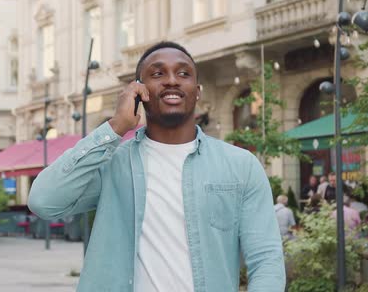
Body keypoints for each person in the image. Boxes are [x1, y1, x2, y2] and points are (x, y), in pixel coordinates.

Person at [28, 41, 285, 291]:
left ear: (197, 91)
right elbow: (43, 200)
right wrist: (116, 126)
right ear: (139, 91)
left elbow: (266, 260)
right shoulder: (112, 165)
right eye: (158, 73)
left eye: (183, 73)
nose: (172, 80)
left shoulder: (240, 166)